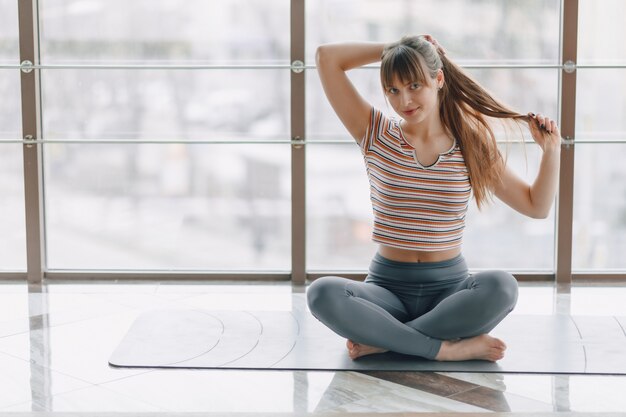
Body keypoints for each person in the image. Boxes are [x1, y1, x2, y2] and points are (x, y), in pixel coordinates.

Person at [306, 35, 561, 362]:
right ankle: (443, 349)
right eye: (393, 91)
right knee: (322, 294)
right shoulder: (375, 132)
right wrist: (394, 47)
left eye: (414, 86)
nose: (404, 101)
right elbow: (326, 57)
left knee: (502, 287)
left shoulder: (471, 144)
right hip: (386, 290)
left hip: (450, 292)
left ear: (438, 79)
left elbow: (536, 207)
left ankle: (386, 338)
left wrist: (551, 152)